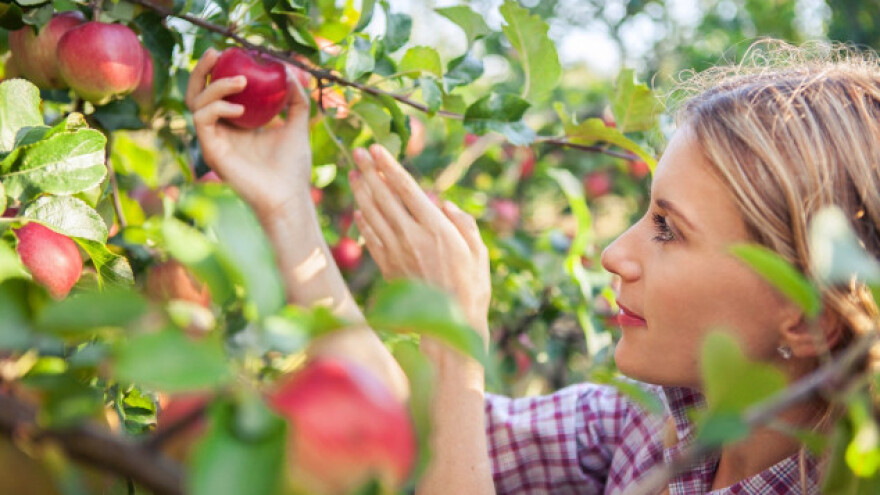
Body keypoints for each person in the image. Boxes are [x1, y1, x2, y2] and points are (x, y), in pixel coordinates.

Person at [185, 41, 880, 494]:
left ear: (808, 312)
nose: (616, 253)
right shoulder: (654, 426)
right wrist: (288, 214)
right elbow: (422, 437)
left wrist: (457, 347)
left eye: (668, 229)